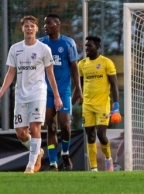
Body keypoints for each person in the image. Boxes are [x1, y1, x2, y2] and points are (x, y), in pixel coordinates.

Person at [0, 15, 62, 174]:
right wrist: (2, 90)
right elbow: (11, 72)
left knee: (34, 127)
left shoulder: (43, 49)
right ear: (22, 28)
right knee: (20, 132)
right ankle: (37, 151)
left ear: (37, 29)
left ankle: (31, 166)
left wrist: (57, 96)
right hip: (21, 94)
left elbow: (50, 74)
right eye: (26, 26)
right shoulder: (15, 49)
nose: (29, 28)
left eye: (32, 25)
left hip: (38, 93)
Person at [39, 14, 82, 171]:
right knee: (50, 126)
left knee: (64, 124)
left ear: (57, 25)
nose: (46, 26)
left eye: (49, 23)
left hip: (63, 91)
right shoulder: (41, 43)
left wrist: (79, 88)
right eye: (45, 23)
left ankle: (65, 153)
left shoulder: (68, 43)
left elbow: (74, 67)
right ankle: (52, 163)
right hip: (46, 90)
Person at [78, 35, 120, 172]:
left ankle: (108, 159)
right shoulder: (82, 64)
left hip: (103, 104)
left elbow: (114, 85)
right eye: (86, 46)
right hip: (87, 105)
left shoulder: (106, 63)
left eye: (89, 46)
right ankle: (93, 168)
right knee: (89, 135)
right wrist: (69, 104)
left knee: (101, 135)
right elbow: (79, 86)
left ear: (96, 47)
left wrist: (116, 106)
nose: (87, 48)